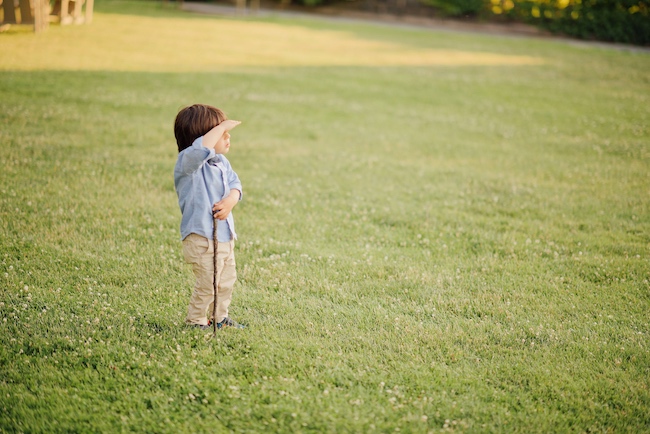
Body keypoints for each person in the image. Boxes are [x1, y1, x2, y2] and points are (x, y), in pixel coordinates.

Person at [173, 104, 245, 330]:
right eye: (221, 132)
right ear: (203, 138)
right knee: (208, 283)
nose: (227, 135)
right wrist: (218, 128)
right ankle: (195, 321)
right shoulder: (188, 163)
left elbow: (235, 184)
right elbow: (200, 149)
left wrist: (231, 200)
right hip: (201, 238)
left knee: (225, 282)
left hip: (224, 236)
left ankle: (219, 317)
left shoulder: (222, 162)